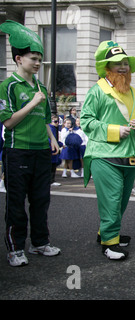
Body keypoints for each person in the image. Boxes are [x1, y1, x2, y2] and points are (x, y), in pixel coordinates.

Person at [0, 20, 61, 266]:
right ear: (18, 59)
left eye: (39, 58)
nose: (37, 63)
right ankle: (15, 249)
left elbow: (45, 120)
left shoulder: (42, 88)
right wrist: (33, 102)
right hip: (17, 152)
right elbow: (8, 123)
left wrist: (53, 139)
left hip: (41, 152)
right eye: (33, 58)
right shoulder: (8, 86)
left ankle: (40, 243)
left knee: (41, 200)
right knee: (16, 202)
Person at [80, 40, 135, 260]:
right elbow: (86, 121)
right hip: (103, 155)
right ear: (107, 68)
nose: (122, 66)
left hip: (128, 156)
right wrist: (113, 130)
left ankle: (106, 233)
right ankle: (110, 243)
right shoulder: (96, 91)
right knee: (112, 198)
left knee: (121, 199)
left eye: (125, 62)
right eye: (117, 62)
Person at [49, 115, 63, 186]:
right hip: (51, 149)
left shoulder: (54, 128)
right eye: (55, 121)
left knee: (53, 165)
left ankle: (51, 180)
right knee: (52, 166)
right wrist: (59, 144)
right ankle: (51, 181)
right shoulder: (51, 128)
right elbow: (51, 140)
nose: (57, 123)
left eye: (58, 121)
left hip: (53, 149)